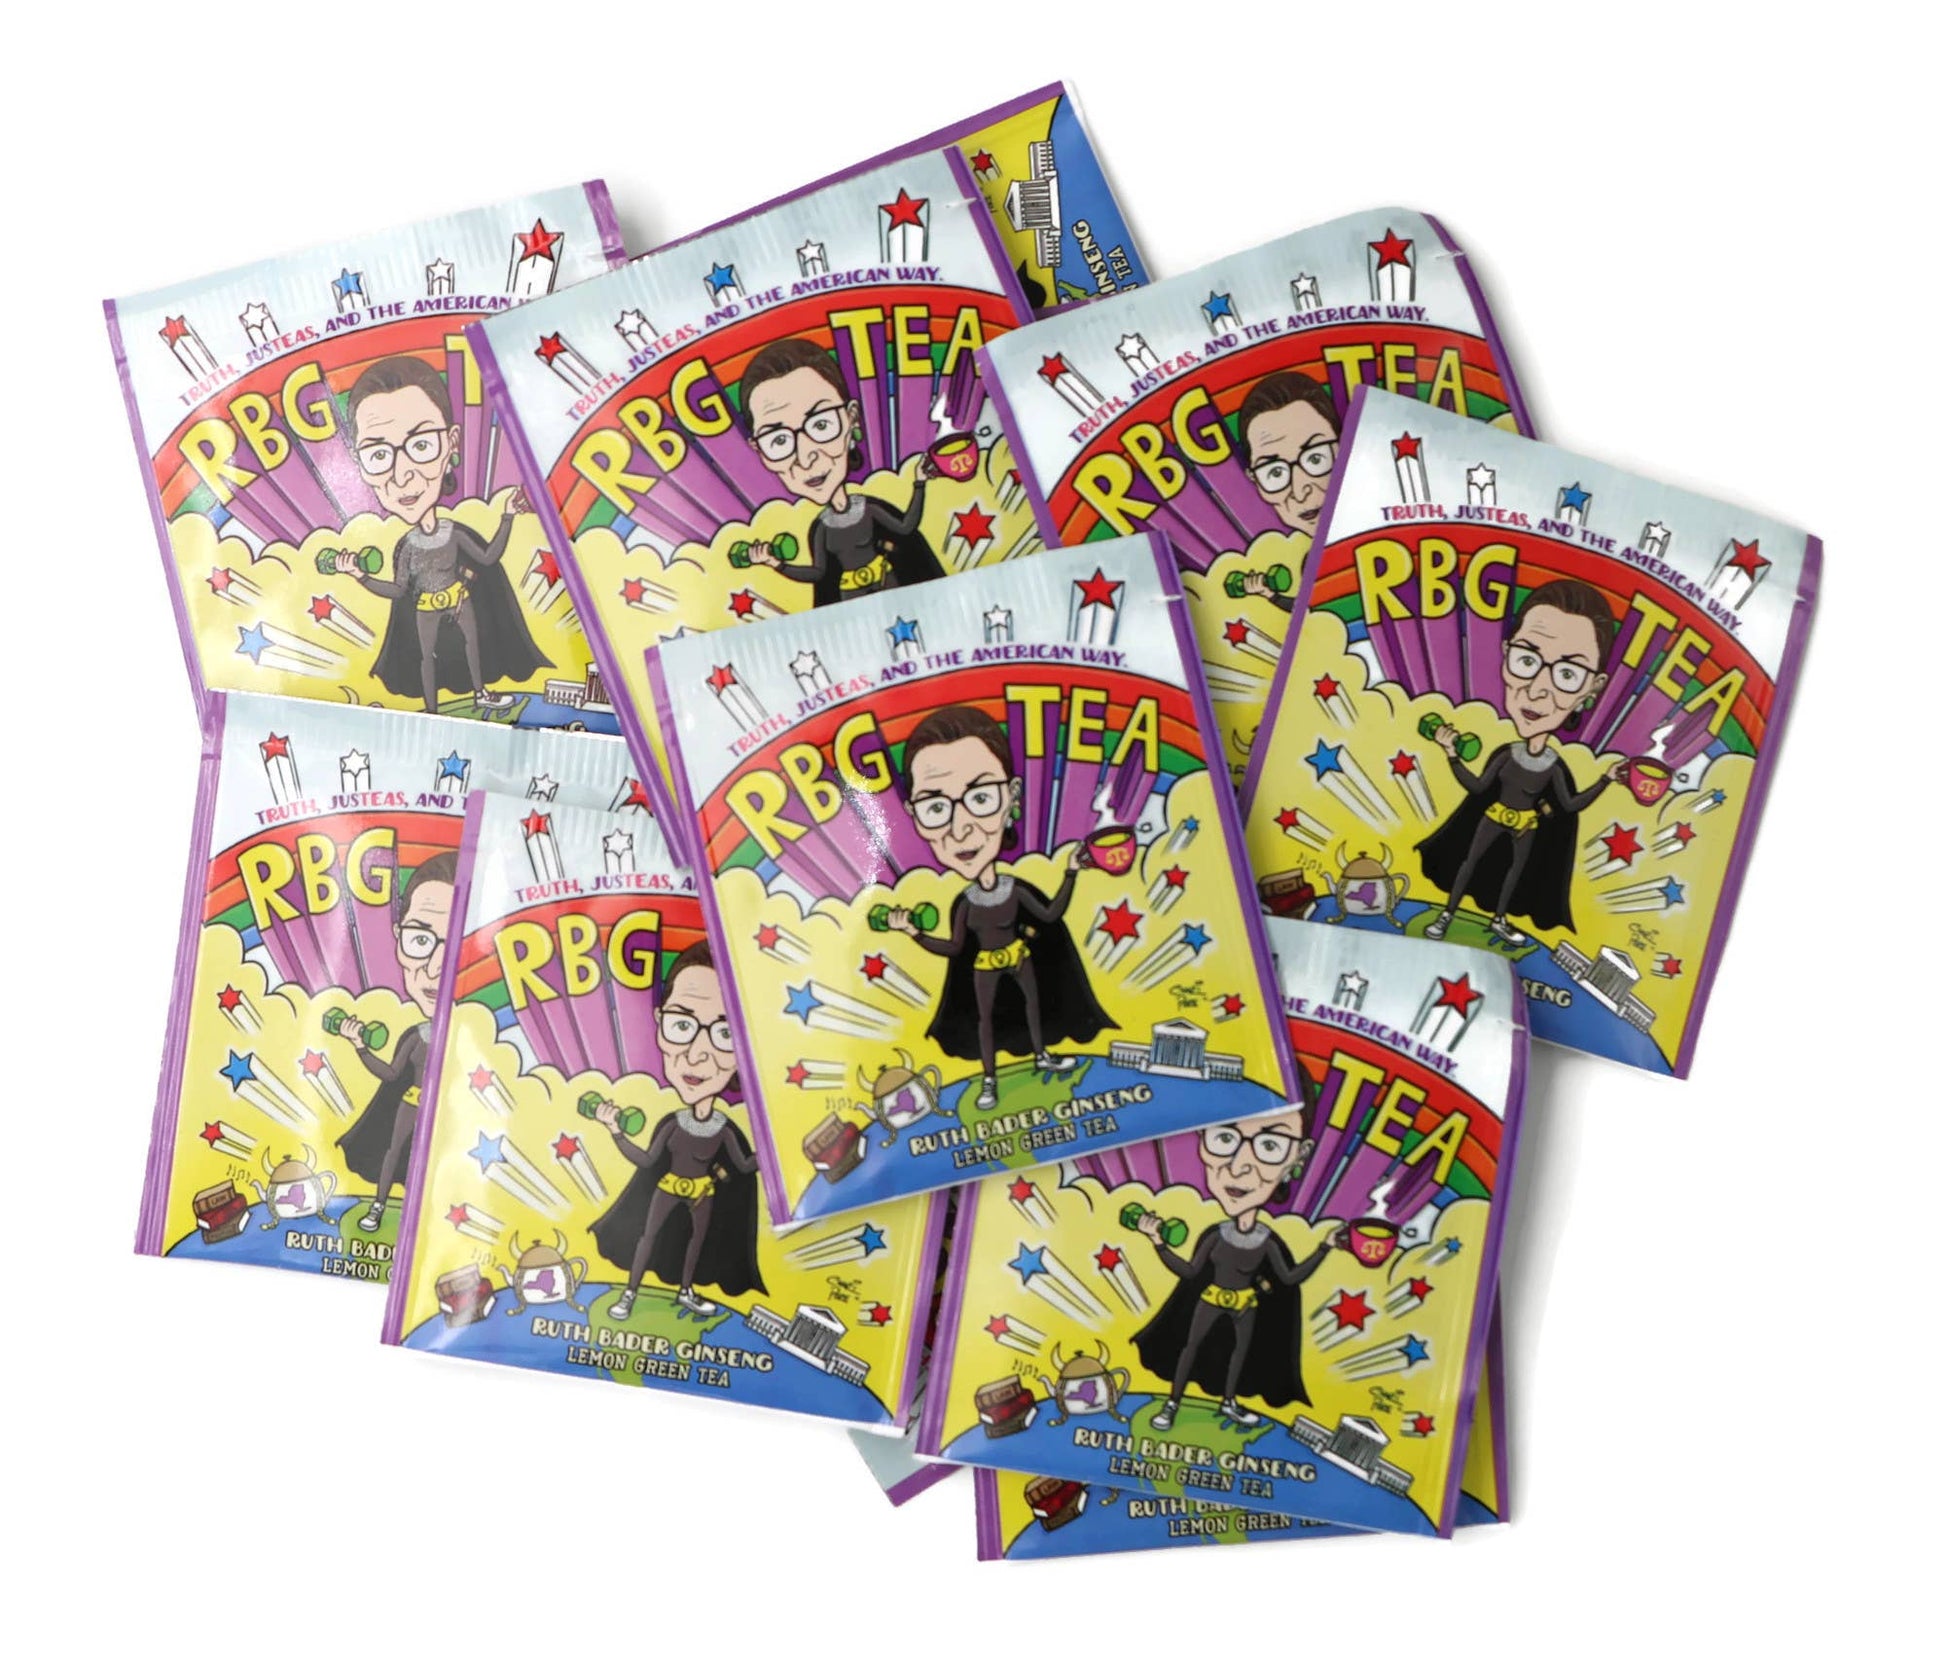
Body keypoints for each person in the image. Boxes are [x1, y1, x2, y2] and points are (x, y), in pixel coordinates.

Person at [887, 705, 1111, 1112]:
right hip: (986, 966)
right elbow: (955, 947)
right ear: (913, 816)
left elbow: (1050, 916)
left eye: (981, 798)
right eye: (935, 808)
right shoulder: (966, 902)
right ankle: (989, 1080)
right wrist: (913, 932)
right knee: (984, 1020)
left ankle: (1042, 1055)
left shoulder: (1014, 889)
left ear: (1012, 797)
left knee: (1033, 1006)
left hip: (1018, 956)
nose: (961, 828)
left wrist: (1071, 873)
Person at [1418, 578, 1627, 944]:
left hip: (1526, 825)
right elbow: (1479, 787)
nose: (1538, 689)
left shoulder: (1554, 765)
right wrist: (1451, 755)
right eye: (1527, 660)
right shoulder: (1507, 754)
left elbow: (1570, 805)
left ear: (1592, 688)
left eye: (1568, 674)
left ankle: (1499, 920)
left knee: (1515, 873)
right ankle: (1446, 914)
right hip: (1495, 816)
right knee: (1470, 862)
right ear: (1505, 655)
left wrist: (1606, 779)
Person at [336, 355, 550, 712]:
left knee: (472, 644)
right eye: (378, 454)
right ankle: (432, 712)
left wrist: (508, 517)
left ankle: (481, 693)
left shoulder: (454, 532)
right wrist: (360, 575)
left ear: (451, 443)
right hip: (427, 607)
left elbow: (488, 558)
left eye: (421, 445)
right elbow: (399, 590)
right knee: (426, 657)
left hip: (459, 598)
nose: (402, 475)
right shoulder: (407, 545)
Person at [1131, 1104, 1347, 1432]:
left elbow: (1290, 1278)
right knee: (1191, 1347)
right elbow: (1190, 1272)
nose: (1240, 1166)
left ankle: (1229, 1402)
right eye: (1225, 1139)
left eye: (1269, 1146)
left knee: (1239, 1354)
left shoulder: (1267, 1241)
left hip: (1246, 1304)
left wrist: (1325, 1247)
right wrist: (1158, 1242)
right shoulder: (1216, 1235)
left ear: (1295, 1160)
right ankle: (1172, 1404)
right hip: (1212, 1298)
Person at [588, 943, 764, 1319]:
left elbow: (745, 1165)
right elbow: (647, 1160)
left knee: (696, 1243)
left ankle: (686, 1291)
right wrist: (615, 1131)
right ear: (659, 1022)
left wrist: (776, 1149)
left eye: (725, 1033)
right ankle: (629, 1295)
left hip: (703, 1193)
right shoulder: (672, 1123)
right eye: (681, 1026)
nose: (697, 1055)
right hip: (669, 1187)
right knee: (648, 1237)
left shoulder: (724, 1128)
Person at [737, 337, 944, 604]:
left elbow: (906, 529)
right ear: (759, 451)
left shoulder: (870, 508)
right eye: (778, 440)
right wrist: (776, 563)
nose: (806, 458)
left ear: (851, 419)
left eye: (821, 425)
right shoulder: (821, 527)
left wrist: (919, 483)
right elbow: (819, 573)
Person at [336, 853, 455, 1233]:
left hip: (456, 1112)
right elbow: (391, 1074)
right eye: (420, 939)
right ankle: (379, 1207)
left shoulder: (471, 1038)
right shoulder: (418, 1035)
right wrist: (359, 1045)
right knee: (394, 1152)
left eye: (457, 948)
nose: (436, 969)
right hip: (413, 1103)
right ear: (398, 935)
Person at [1234, 372, 1341, 611]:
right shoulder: (1313, 563)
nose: (1300, 492)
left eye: (1315, 459)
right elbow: (1314, 615)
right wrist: (1271, 595)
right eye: (1275, 473)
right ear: (1254, 480)